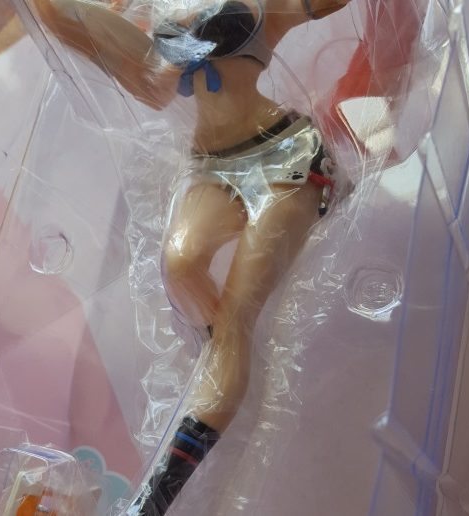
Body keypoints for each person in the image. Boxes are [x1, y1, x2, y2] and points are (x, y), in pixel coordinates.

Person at [32, 1, 352, 513]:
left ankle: (160, 492)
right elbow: (142, 76)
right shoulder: (159, 17)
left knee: (236, 322)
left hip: (285, 156)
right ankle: (219, 367)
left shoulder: (266, 7)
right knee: (180, 263)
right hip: (214, 164)